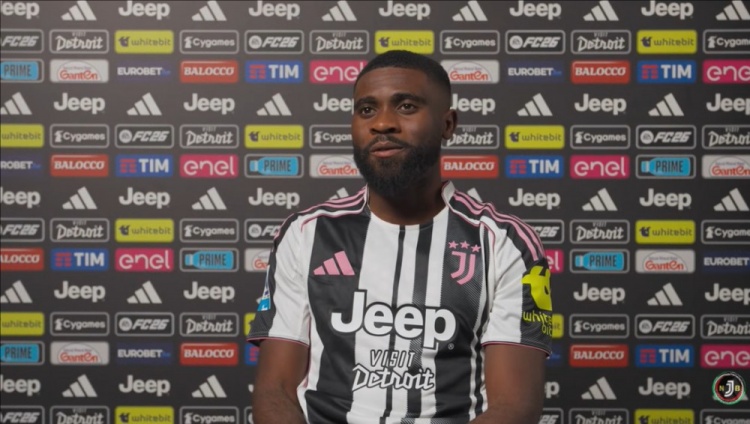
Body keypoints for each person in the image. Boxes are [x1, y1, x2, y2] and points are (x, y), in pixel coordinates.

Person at [248, 50, 552, 424]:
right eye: (366, 110)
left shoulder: (505, 243)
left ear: (448, 124)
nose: (383, 124)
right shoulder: (306, 234)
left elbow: (514, 407)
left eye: (406, 106)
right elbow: (275, 392)